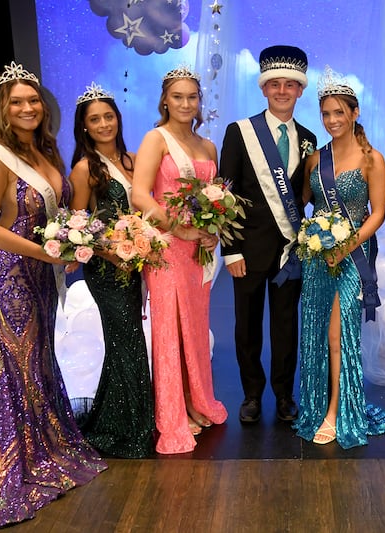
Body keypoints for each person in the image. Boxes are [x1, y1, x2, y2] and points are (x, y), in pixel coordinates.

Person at [0, 61, 106, 531]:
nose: (28, 108)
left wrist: (72, 245)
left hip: (42, 272)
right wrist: (44, 252)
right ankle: (9, 458)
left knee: (34, 359)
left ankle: (39, 444)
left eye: (33, 100)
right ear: (2, 109)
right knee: (15, 358)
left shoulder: (42, 150)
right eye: (17, 102)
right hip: (10, 272)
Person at [131, 65, 227, 455]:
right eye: (178, 96)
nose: (186, 103)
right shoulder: (156, 139)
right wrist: (181, 228)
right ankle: (172, 412)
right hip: (168, 247)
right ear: (165, 100)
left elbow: (213, 197)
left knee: (194, 326)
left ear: (199, 101)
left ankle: (195, 399)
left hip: (200, 251)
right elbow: (140, 195)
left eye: (192, 97)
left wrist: (212, 227)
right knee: (169, 329)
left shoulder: (208, 146)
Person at [219, 45, 317, 424]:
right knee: (246, 328)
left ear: (299, 90)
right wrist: (231, 250)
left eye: (289, 85)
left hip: (289, 252)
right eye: (274, 84)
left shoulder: (308, 137)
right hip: (247, 251)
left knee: (285, 328)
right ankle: (252, 394)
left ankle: (283, 393)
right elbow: (223, 195)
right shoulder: (240, 132)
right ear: (263, 89)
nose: (281, 91)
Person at [293, 66, 385, 448]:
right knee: (316, 333)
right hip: (319, 258)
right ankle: (317, 406)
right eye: (326, 114)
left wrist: (346, 246)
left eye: (339, 112)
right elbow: (304, 204)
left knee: (339, 335)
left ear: (354, 113)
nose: (332, 120)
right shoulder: (316, 160)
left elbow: (378, 213)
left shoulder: (372, 159)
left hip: (353, 257)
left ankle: (338, 411)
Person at [69, 82, 155, 458]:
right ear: (84, 127)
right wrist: (112, 253)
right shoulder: (86, 168)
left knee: (132, 339)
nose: (104, 124)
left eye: (109, 116)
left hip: (134, 263)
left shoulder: (135, 160)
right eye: (95, 119)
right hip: (107, 270)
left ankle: (128, 416)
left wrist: (143, 243)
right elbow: (77, 228)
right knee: (127, 342)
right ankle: (126, 426)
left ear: (118, 119)